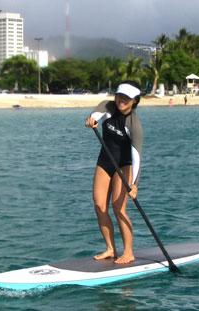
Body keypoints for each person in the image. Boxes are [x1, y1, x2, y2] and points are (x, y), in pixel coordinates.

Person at [85, 81, 143, 264]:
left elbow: (137, 156)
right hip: (104, 162)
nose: (121, 100)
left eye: (127, 98)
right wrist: (92, 119)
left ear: (134, 101)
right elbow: (97, 113)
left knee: (119, 209)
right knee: (99, 206)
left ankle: (128, 252)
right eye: (119, 95)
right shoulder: (108, 105)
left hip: (124, 166)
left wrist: (134, 185)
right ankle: (110, 249)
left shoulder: (134, 125)